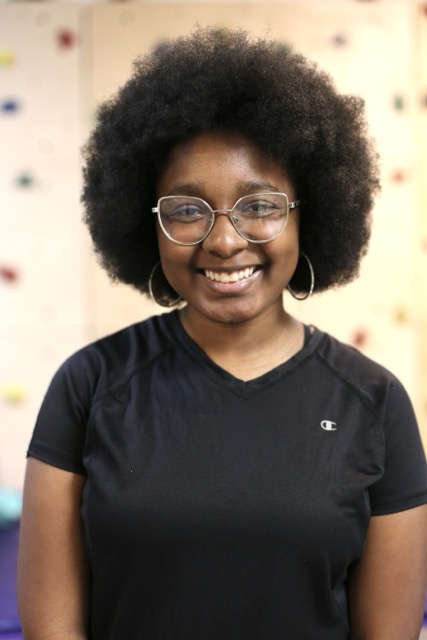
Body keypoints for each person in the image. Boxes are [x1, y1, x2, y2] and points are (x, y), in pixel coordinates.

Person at [17, 26, 427, 640]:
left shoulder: (374, 401)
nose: (225, 241)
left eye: (259, 206)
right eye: (188, 211)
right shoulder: (90, 384)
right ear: (147, 225)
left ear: (308, 214)